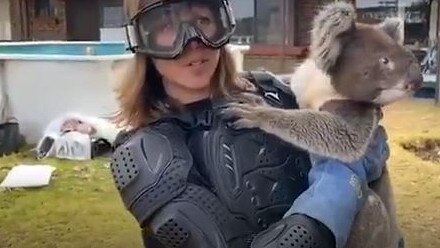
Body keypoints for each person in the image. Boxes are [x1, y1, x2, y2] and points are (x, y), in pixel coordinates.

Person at [109, 0, 391, 247]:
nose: (193, 41)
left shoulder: (273, 93)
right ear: (142, 40)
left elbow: (373, 149)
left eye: (203, 20)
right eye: (167, 25)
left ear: (223, 21)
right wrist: (340, 178)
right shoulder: (146, 158)